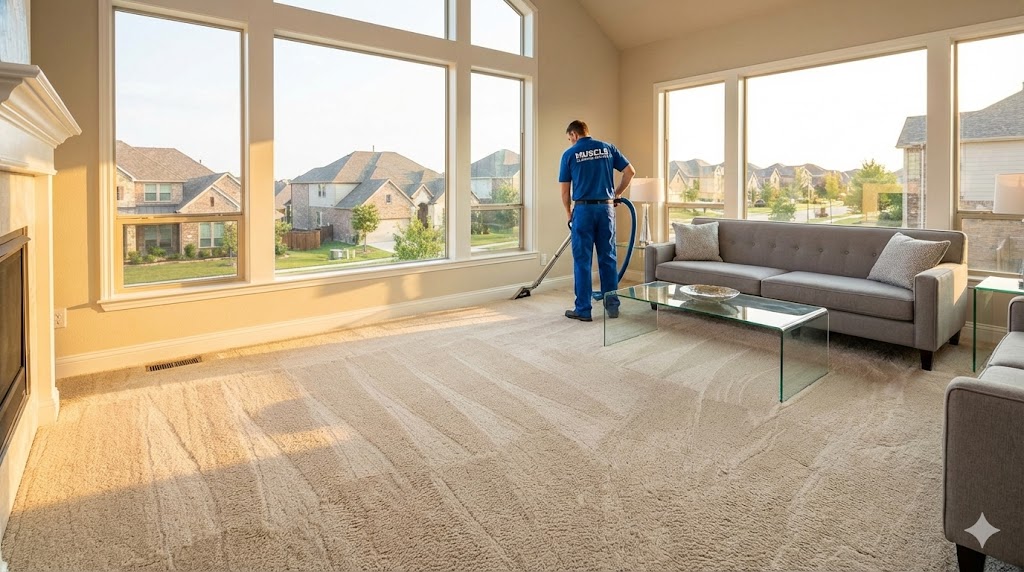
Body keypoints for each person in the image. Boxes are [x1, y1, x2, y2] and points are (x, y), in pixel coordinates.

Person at [559, 120, 635, 322]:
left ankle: (583, 310)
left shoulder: (570, 154)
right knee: (608, 258)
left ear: (574, 134)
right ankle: (612, 307)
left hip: (583, 210)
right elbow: (630, 171)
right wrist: (615, 194)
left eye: (569, 139)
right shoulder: (607, 148)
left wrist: (568, 214)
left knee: (582, 261)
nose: (570, 142)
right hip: (606, 209)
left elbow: (565, 191)